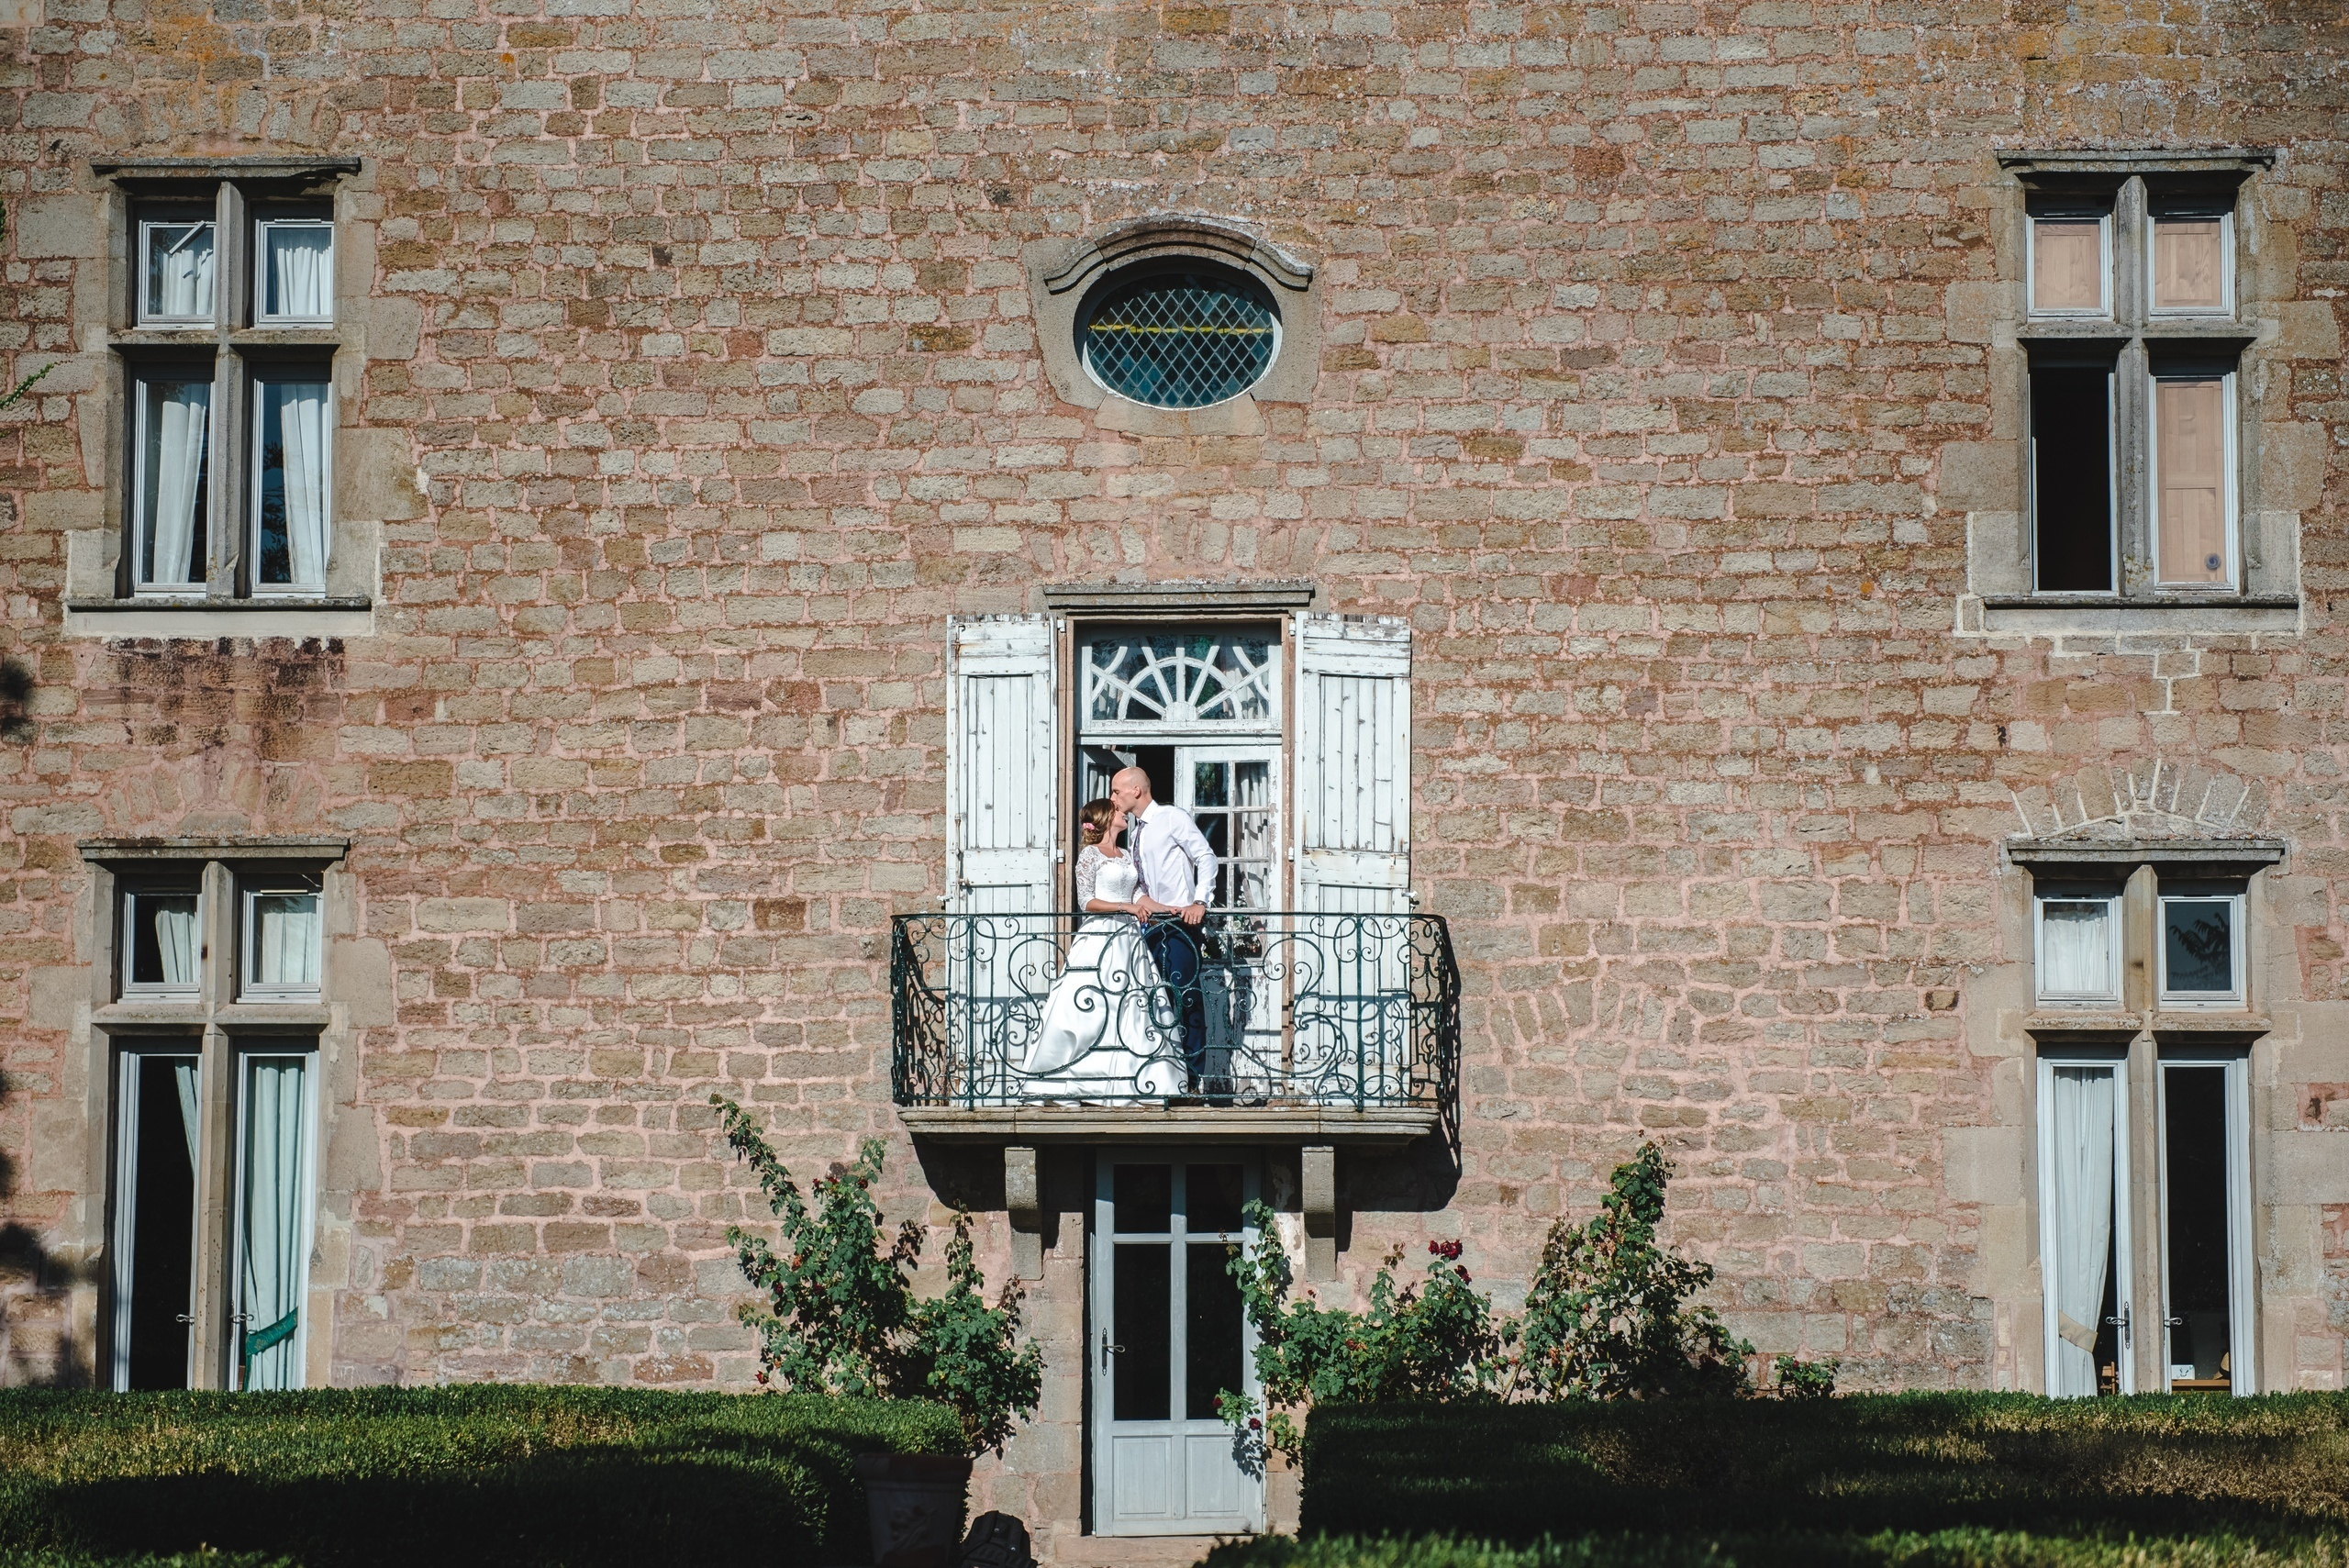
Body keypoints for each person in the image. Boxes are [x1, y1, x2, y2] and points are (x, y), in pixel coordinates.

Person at [1023, 798, 1184, 1099]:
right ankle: (1077, 1079)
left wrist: (1167, 908)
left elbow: (1138, 895)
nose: (1124, 813)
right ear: (1107, 818)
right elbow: (1087, 901)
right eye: (1118, 810)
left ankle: (1133, 1081)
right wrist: (1125, 907)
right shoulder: (1089, 855)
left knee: (1134, 1004)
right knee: (1092, 1004)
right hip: (1100, 937)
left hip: (1128, 938)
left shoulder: (1126, 855)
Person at [1108, 765, 1219, 1095]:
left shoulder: (1172, 818)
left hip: (1182, 924)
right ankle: (1165, 1077)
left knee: (1186, 997)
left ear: (1136, 790)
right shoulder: (1135, 832)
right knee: (1157, 1002)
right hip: (1151, 925)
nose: (1113, 798)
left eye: (1116, 791)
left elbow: (1206, 857)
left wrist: (1200, 901)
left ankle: (1193, 1081)